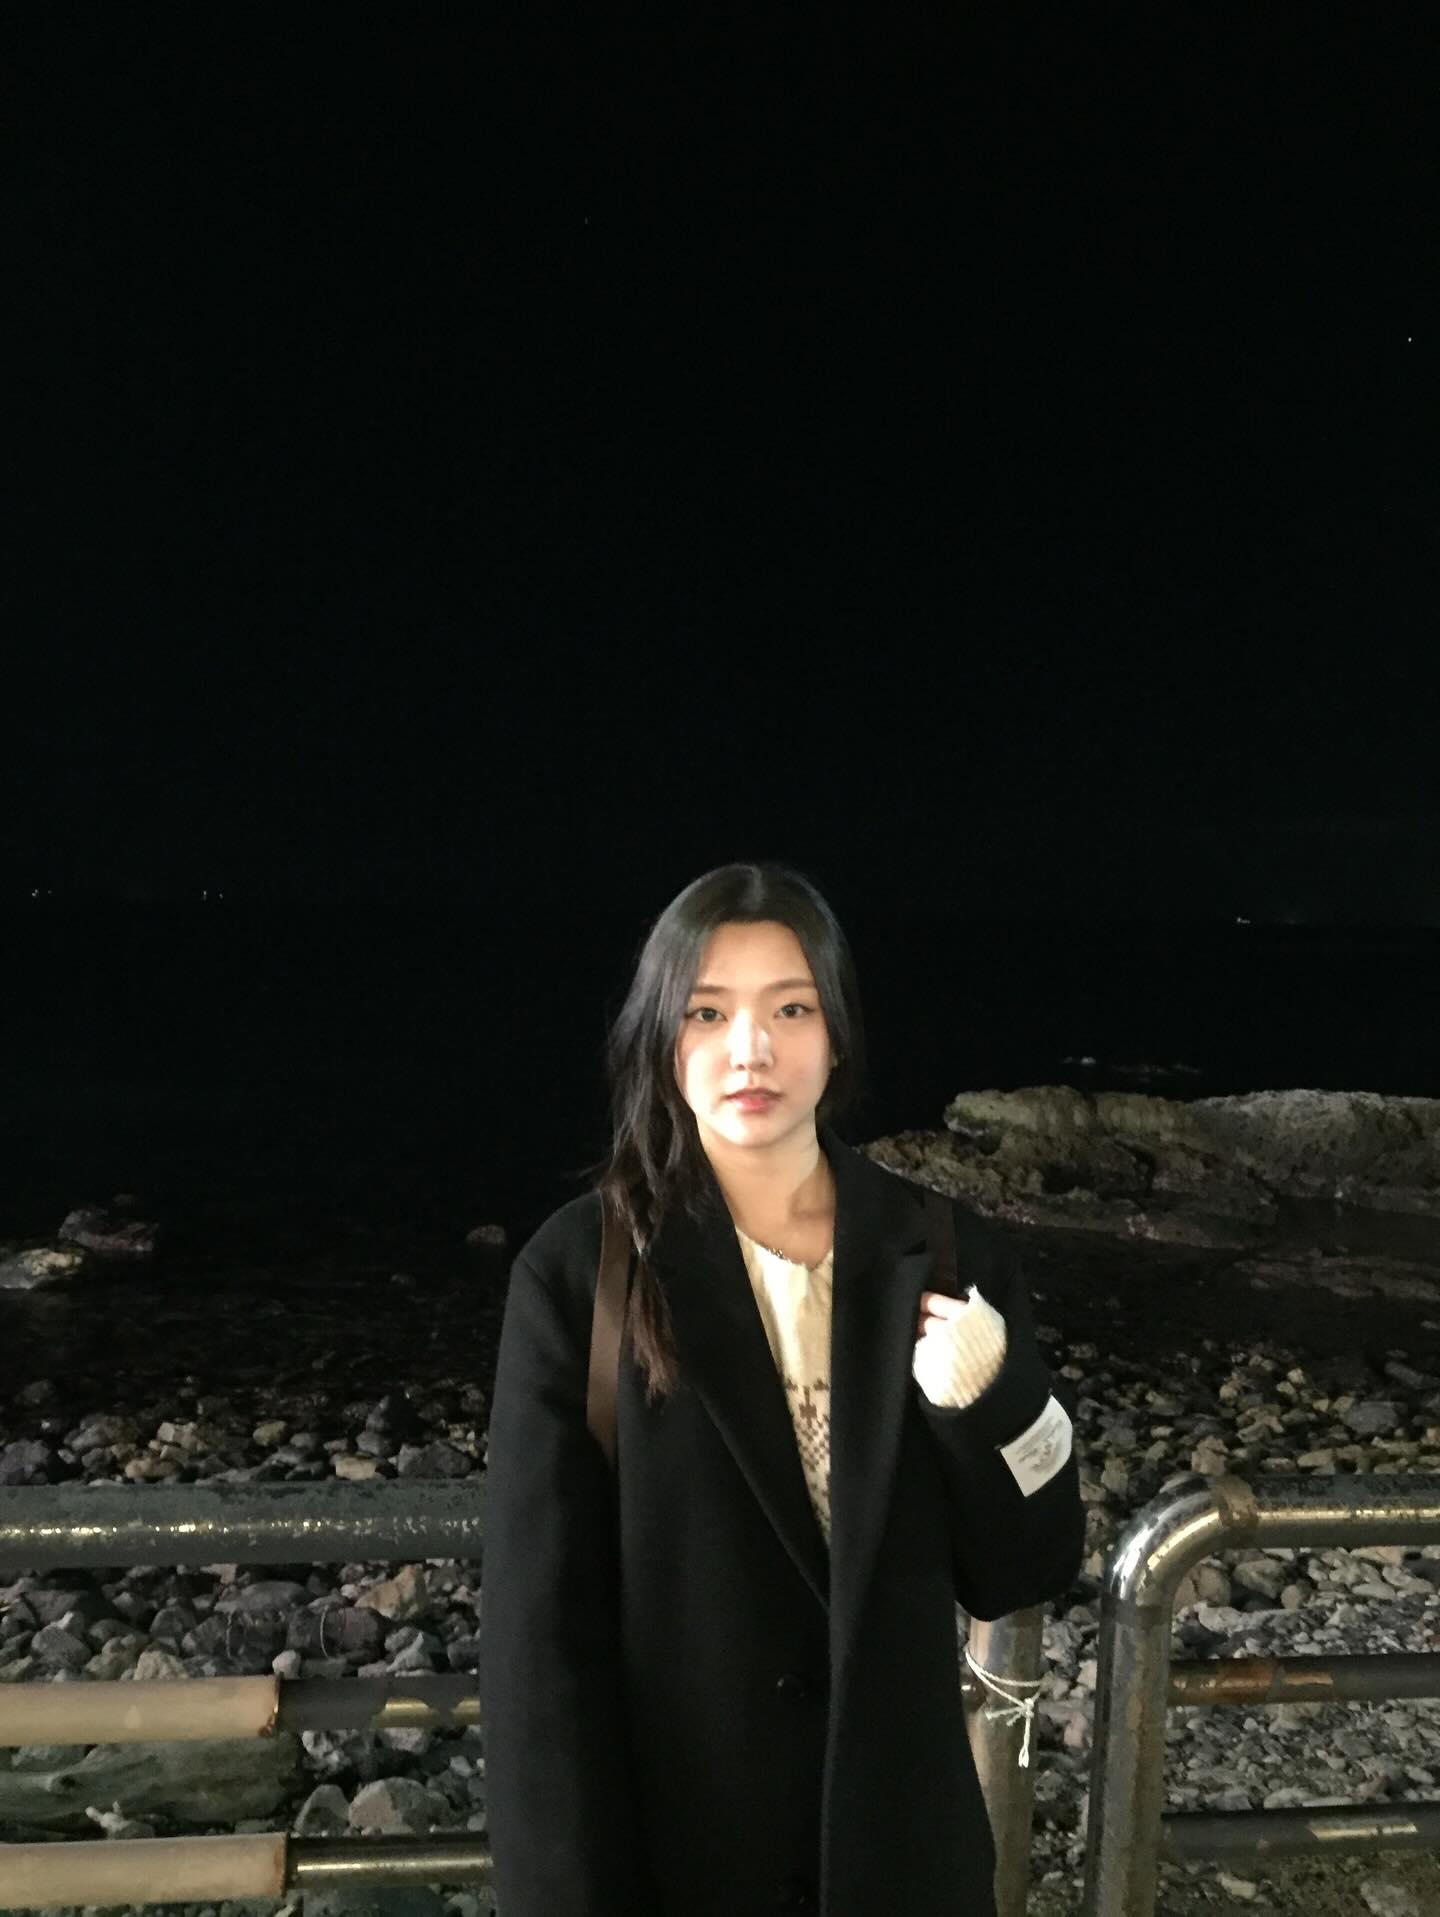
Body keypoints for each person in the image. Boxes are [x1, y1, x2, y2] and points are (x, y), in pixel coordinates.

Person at [479, 861, 1085, 1917]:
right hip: (682, 1866)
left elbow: (1027, 1566)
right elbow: (538, 1647)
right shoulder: (583, 1273)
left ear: (836, 1033)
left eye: (791, 1008)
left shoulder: (946, 1253)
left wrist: (991, 1397)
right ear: (660, 1037)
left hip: (902, 1861)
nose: (750, 1048)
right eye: (708, 1012)